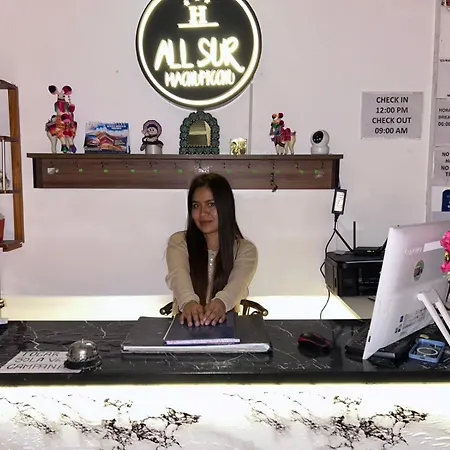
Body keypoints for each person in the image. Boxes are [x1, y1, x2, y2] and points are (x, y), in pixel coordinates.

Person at [165, 173, 258, 327]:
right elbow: (178, 275)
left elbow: (238, 284)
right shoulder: (179, 242)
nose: (202, 213)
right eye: (196, 206)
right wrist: (188, 302)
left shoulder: (245, 250)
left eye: (211, 204)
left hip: (226, 330)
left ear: (225, 207)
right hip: (185, 328)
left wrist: (221, 303)